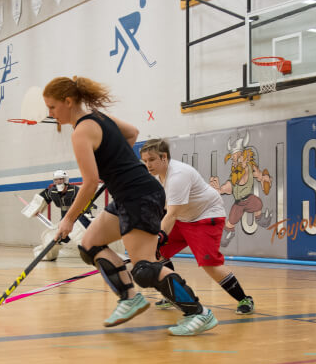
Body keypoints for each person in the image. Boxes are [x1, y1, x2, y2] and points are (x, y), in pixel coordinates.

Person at [43, 76, 217, 336]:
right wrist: (115, 162)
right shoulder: (99, 117)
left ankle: (198, 313)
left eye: (53, 107)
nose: (50, 114)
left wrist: (68, 219)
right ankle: (129, 298)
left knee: (145, 269)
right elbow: (133, 132)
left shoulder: (81, 132)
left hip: (140, 196)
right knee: (90, 246)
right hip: (129, 195)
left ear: (68, 101)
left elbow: (89, 183)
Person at [139, 139, 255, 315]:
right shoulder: (156, 176)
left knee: (209, 263)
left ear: (164, 157)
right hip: (184, 216)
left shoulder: (178, 175)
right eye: (145, 160)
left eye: (152, 160)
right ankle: (174, 295)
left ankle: (244, 299)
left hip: (205, 216)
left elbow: (171, 214)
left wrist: (159, 236)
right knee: (158, 253)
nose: (148, 164)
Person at [23, 169, 98, 261]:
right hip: (65, 222)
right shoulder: (52, 192)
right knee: (50, 238)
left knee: (80, 235)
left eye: (61, 179)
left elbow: (87, 204)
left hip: (80, 219)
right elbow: (40, 199)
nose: (58, 182)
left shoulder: (75, 191)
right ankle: (49, 255)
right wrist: (34, 210)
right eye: (56, 180)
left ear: (65, 180)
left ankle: (97, 254)